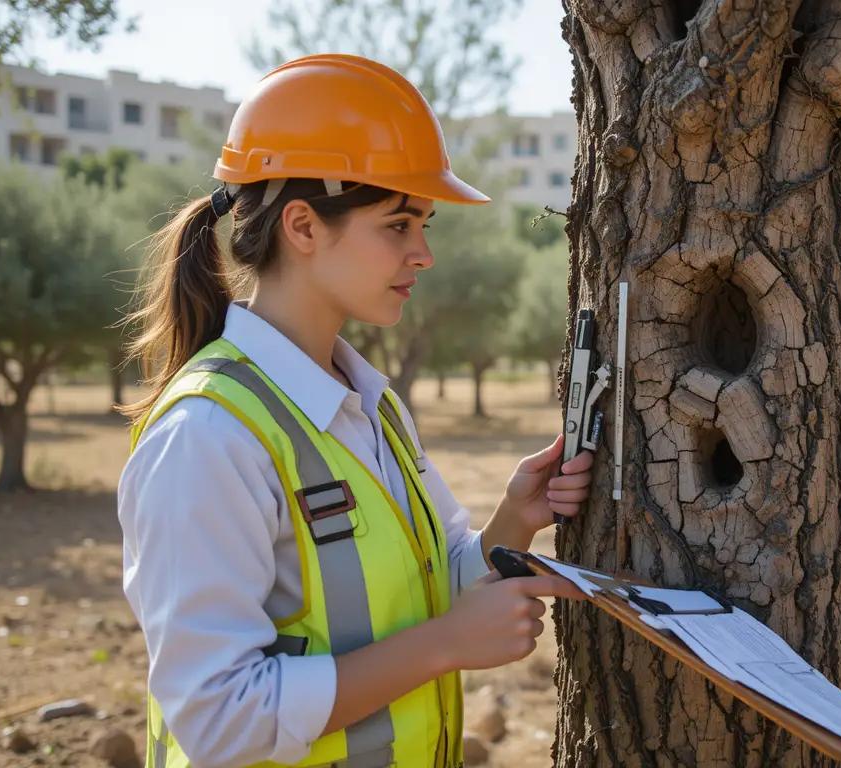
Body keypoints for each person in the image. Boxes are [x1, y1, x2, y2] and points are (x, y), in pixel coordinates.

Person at [116, 53, 591, 768]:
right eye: (399, 225)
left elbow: (418, 590)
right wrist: (447, 646)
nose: (424, 254)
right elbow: (217, 720)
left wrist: (513, 518)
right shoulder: (207, 436)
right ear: (303, 227)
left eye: (424, 225)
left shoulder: (368, 403)